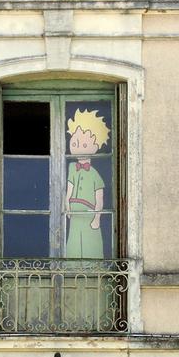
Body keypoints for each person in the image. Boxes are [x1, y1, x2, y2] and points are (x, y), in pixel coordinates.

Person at [65, 108, 110, 259]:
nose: (78, 148)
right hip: (74, 215)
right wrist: (67, 208)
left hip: (89, 215)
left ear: (95, 147)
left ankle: (94, 271)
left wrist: (97, 218)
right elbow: (68, 191)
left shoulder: (95, 174)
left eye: (84, 145)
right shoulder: (72, 167)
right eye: (75, 143)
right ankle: (71, 270)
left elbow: (99, 199)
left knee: (92, 243)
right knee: (74, 244)